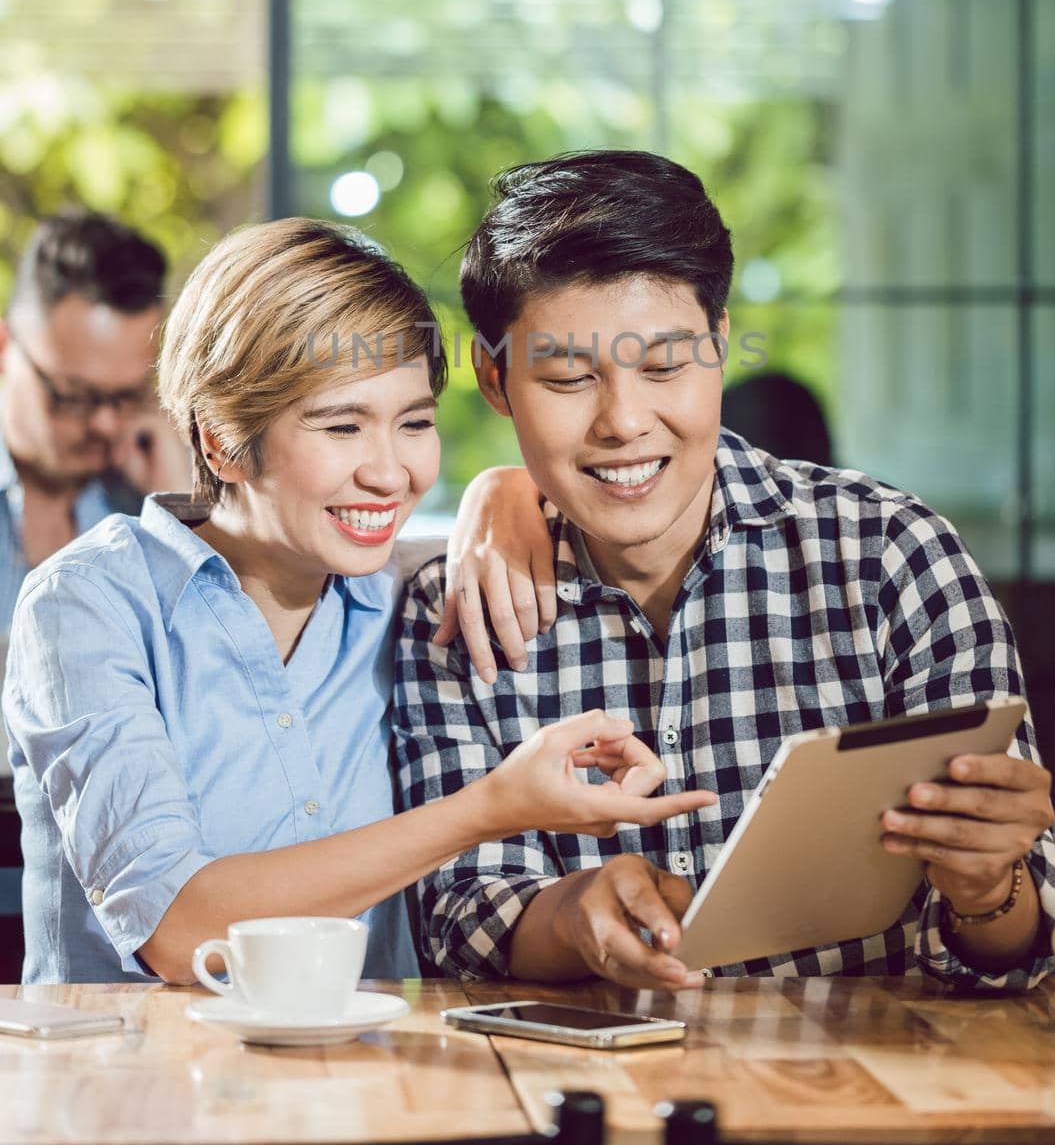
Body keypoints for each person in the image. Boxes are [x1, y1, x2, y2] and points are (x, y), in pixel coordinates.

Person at [394, 149, 1055, 993]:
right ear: (494, 379)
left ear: (718, 346)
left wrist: (984, 886)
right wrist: (574, 916)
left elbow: (1019, 942)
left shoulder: (891, 556)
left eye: (666, 366)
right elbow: (460, 913)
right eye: (568, 377)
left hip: (881, 1083)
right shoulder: (456, 610)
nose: (624, 422)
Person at [1, 217, 713, 985]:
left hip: (376, 1084)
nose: (391, 473)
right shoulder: (85, 606)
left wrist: (504, 487)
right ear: (221, 442)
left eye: (414, 423)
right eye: (342, 425)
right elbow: (180, 933)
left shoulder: (407, 594)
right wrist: (491, 807)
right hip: (133, 1085)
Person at [0, 211, 189, 634]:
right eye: (75, 396)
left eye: (128, 395)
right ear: (5, 348)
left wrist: (180, 512)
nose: (105, 424)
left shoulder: (154, 503)